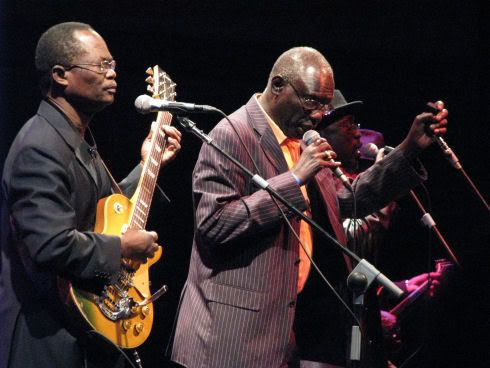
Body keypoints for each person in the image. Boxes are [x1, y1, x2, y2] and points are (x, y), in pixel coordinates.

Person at [170, 46, 448, 368]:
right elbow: (214, 225)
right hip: (228, 337)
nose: (318, 114)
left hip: (276, 337)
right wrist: (296, 177)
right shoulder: (233, 133)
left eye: (324, 105)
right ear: (278, 86)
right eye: (312, 101)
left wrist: (408, 149)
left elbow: (346, 200)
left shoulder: (301, 140)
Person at [0, 22, 181, 368]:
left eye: (113, 66)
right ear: (60, 75)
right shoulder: (40, 147)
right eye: (102, 66)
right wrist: (124, 248)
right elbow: (50, 245)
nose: (113, 75)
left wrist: (148, 166)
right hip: (44, 337)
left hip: (81, 327)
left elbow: (106, 211)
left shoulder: (75, 139)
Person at [309, 90, 443, 368]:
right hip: (325, 336)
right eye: (346, 126)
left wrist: (405, 287)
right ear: (321, 137)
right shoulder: (316, 182)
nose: (357, 134)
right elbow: (351, 244)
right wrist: (385, 197)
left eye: (355, 125)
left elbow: (360, 271)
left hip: (356, 329)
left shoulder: (348, 184)